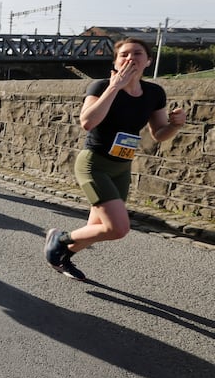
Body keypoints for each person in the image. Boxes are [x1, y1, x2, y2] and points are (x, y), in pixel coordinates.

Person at [44, 37, 187, 280]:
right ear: (116, 61)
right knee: (117, 228)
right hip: (94, 164)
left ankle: (62, 257)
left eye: (138, 53)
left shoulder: (154, 93)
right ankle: (59, 240)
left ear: (148, 61)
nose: (131, 58)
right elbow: (88, 122)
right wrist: (114, 87)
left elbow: (159, 134)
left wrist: (176, 126)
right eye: (124, 54)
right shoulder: (101, 86)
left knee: (95, 229)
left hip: (122, 167)